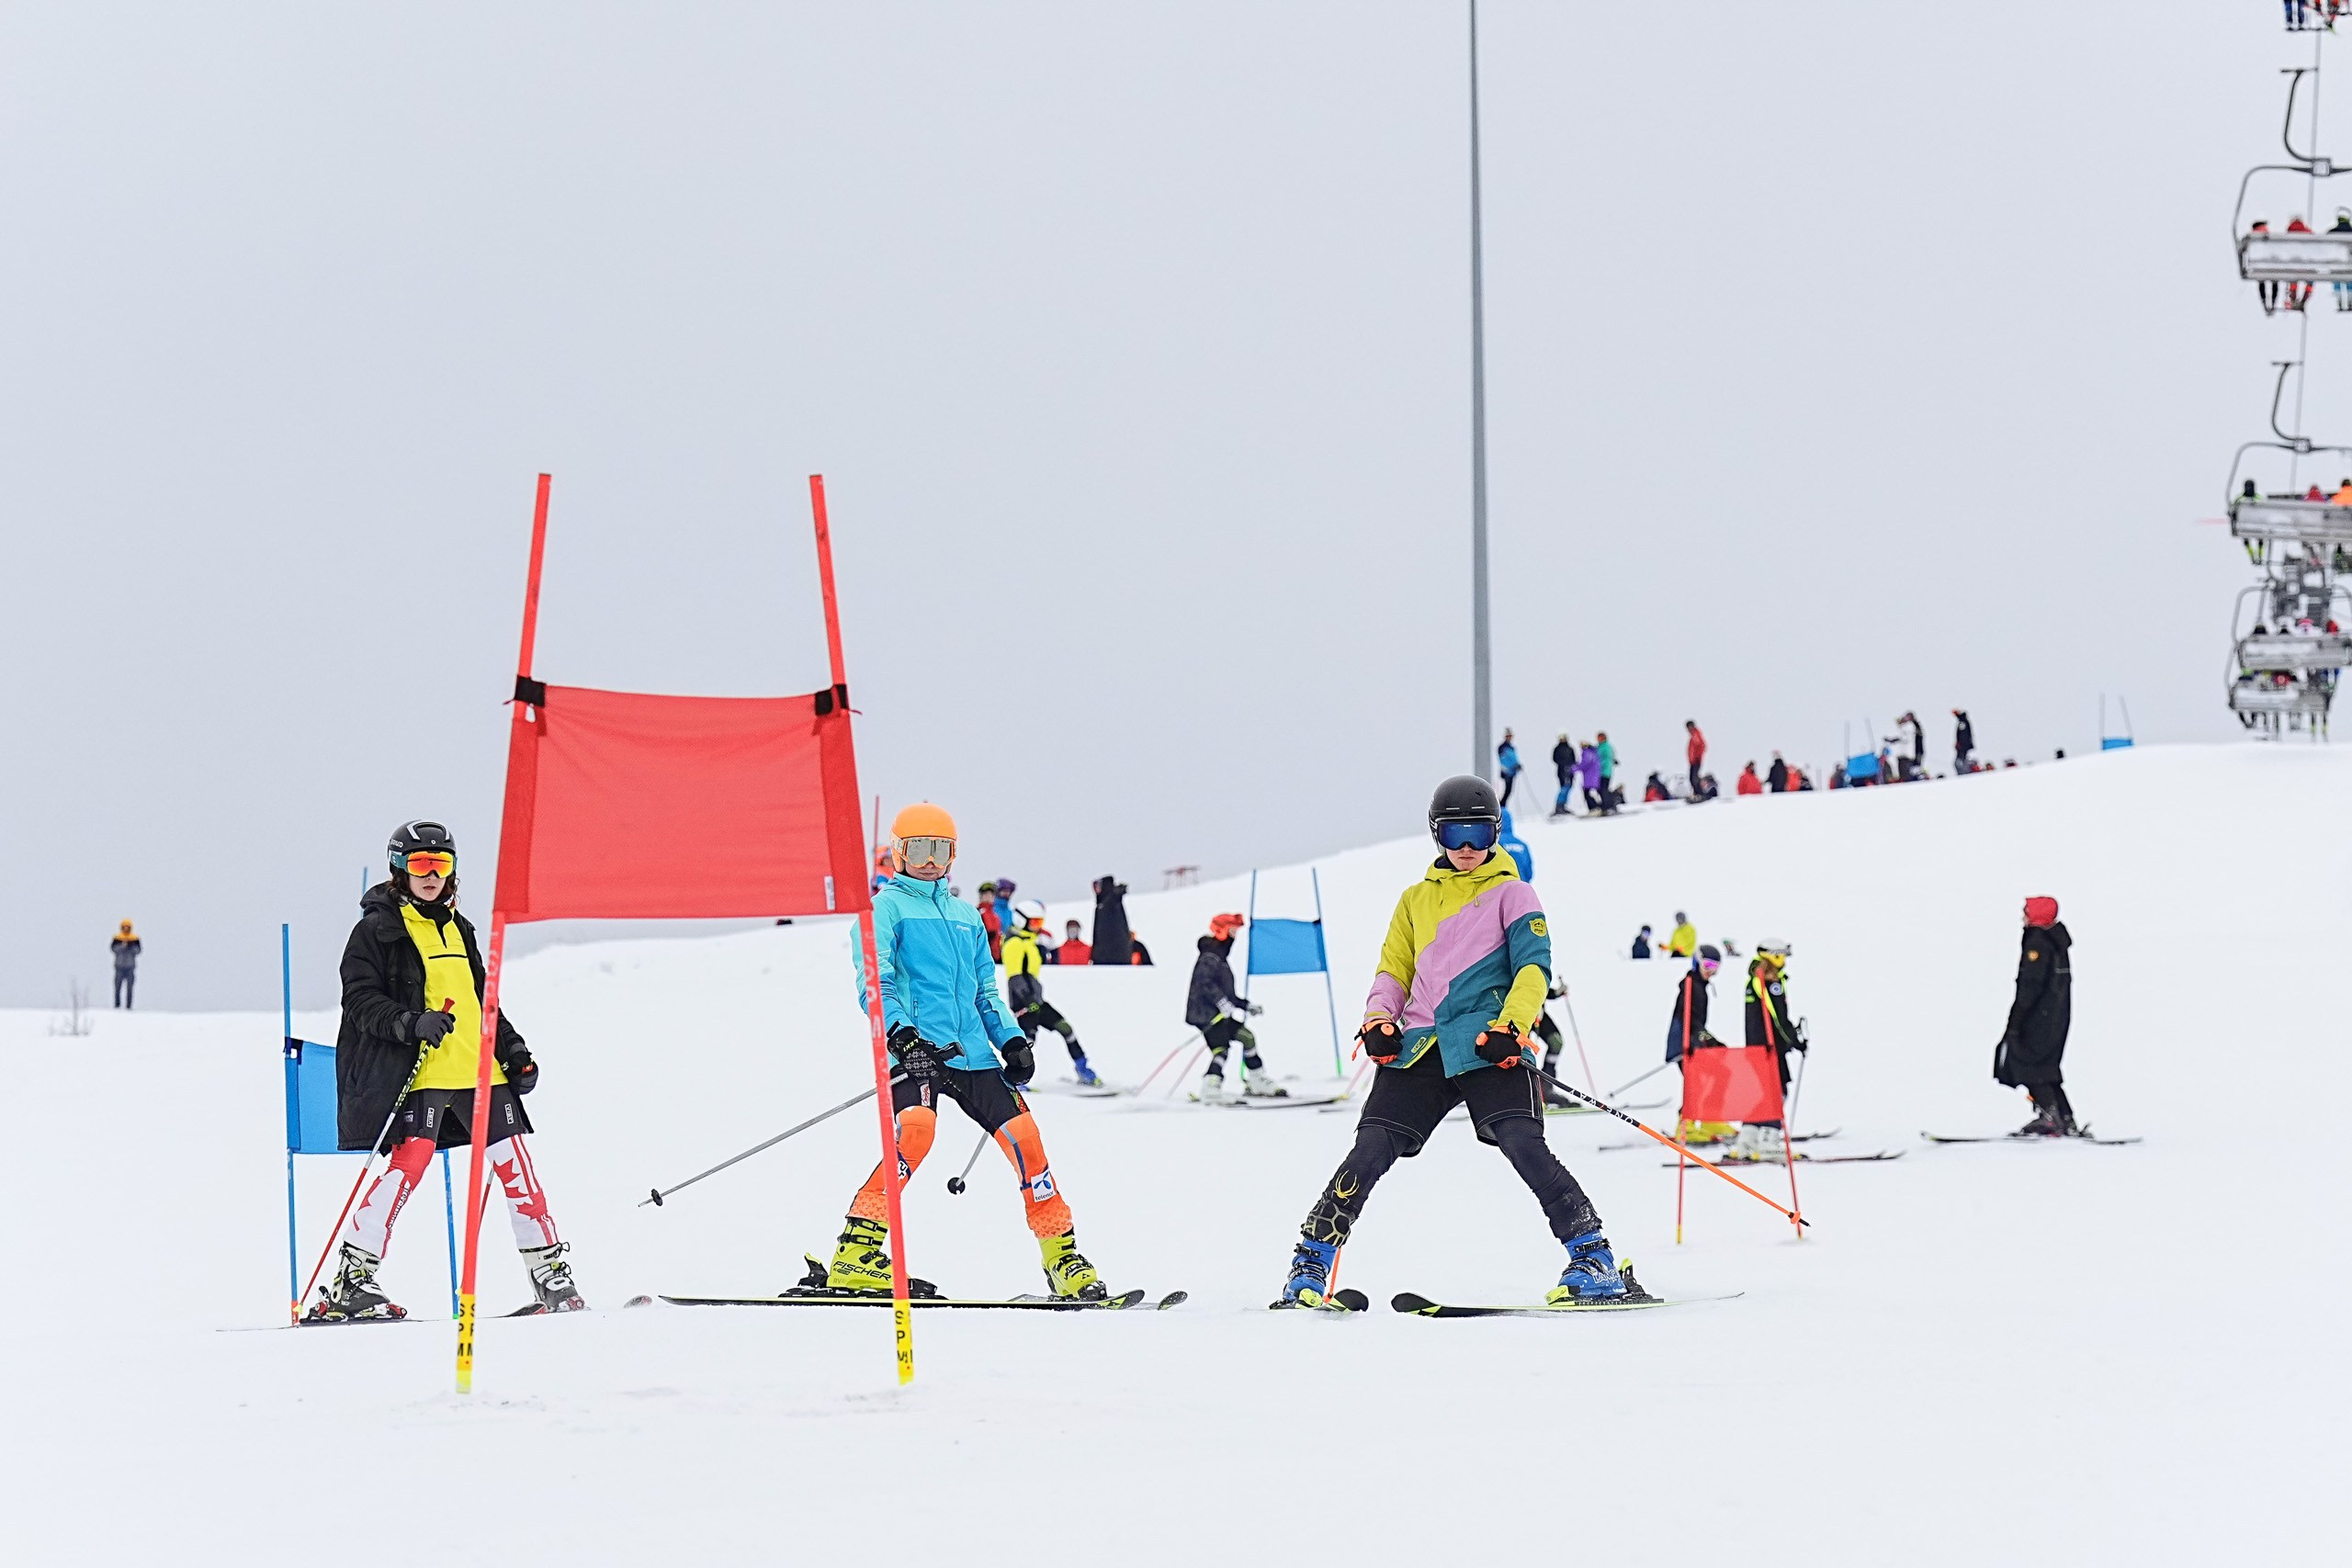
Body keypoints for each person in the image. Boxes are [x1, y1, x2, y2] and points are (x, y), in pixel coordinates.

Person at [1275, 774, 1625, 1307]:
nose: (1466, 848)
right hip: (1420, 1044)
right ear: (1437, 835)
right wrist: (1378, 1019)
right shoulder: (1415, 899)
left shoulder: (1513, 893)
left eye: (1479, 834)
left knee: (1522, 1143)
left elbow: (1534, 969)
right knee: (1371, 1148)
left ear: (1496, 835)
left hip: (1488, 1042)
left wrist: (1513, 1028)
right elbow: (1393, 970)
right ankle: (1310, 1266)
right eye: (1455, 833)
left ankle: (1593, 1256)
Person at [822, 803, 1105, 1300]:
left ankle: (1062, 1258)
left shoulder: (965, 917)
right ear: (898, 852)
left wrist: (1011, 1039)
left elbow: (984, 993)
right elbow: (875, 984)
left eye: (941, 850)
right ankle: (855, 1254)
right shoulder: (885, 909)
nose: (930, 861)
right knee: (916, 1135)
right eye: (918, 850)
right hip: (917, 1053)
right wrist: (902, 1037)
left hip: (973, 1054)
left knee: (1027, 1141)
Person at [314, 820, 581, 1321]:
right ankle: (353, 1279)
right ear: (400, 869)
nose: (432, 875)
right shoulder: (377, 929)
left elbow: (484, 1000)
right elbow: (359, 1001)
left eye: (441, 864)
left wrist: (514, 1051)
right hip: (420, 1072)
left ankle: (550, 1274)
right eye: (420, 864)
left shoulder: (461, 928)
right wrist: (412, 1022)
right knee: (407, 1169)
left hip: (479, 1072)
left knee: (516, 1167)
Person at [1996, 897, 2076, 1136]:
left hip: (2038, 1017)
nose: (2023, 915)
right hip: (2055, 1016)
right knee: (2046, 1066)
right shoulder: (2055, 941)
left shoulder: (2038, 942)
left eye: (2026, 911)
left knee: (2029, 1062)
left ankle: (2049, 1117)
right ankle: (2064, 1117)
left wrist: (2017, 1019)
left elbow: (2031, 985)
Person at [1002, 900, 1098, 1087]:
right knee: (1026, 1041)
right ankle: (1016, 1079)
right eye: (1034, 923)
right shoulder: (1014, 943)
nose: (1038, 927)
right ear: (1022, 921)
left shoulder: (1029, 942)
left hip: (1037, 1000)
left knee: (1065, 1028)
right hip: (1023, 1002)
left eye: (1040, 923)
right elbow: (1015, 977)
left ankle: (1083, 1070)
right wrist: (1028, 999)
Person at [1187, 913, 1278, 1100]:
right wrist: (1221, 1002)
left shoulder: (1220, 958)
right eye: (1232, 931)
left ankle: (1257, 1080)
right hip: (1204, 1014)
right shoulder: (1209, 957)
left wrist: (1245, 1005)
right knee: (1221, 1048)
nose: (1234, 936)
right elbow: (1204, 984)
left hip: (1219, 1013)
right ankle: (1210, 1086)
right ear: (1221, 931)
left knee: (1247, 1037)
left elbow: (1227, 993)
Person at [1732, 940, 1804, 1158]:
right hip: (1769, 1048)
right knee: (1777, 1092)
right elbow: (1778, 1017)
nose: (1784, 962)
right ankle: (1768, 1140)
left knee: (1760, 1093)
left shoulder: (1755, 979)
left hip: (1757, 1047)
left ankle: (1747, 1139)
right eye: (1782, 957)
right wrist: (1794, 1040)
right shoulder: (1769, 981)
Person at [1667, 945, 1735, 1145]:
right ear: (1697, 962)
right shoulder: (1690, 985)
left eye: (1715, 966)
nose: (1711, 970)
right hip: (1683, 1046)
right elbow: (1689, 1021)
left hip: (1694, 1044)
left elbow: (1697, 1024)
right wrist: (1708, 1040)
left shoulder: (1700, 987)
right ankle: (1685, 1126)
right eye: (1707, 965)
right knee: (1696, 1082)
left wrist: (1709, 1040)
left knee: (1721, 1074)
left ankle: (1710, 1120)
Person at [1091, 875, 1133, 965]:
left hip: (1112, 958)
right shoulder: (1104, 904)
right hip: (1107, 957)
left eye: (1098, 887)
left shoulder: (1110, 903)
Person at [110, 919, 141, 1009]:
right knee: (117, 987)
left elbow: (138, 950)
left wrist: (130, 947)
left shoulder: (135, 938)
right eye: (124, 927)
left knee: (130, 988)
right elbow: (113, 949)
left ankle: (129, 1006)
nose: (126, 929)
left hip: (130, 966)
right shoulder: (117, 938)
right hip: (119, 966)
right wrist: (122, 947)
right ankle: (117, 1005)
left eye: (128, 927)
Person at [1498, 807, 1532, 883]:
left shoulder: (1494, 844)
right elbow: (1529, 872)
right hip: (1521, 888)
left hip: (1500, 888)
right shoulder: (1523, 845)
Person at [975, 880, 1004, 964]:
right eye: (986, 894)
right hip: (982, 956)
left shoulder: (996, 915)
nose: (989, 897)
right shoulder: (976, 913)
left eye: (991, 894)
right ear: (981, 896)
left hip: (996, 956)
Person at [1551, 733, 1577, 818]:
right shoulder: (1557, 749)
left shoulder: (1570, 748)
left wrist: (1572, 768)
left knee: (1568, 787)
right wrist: (1564, 765)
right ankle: (1559, 806)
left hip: (1570, 772)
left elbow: (1574, 759)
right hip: (1562, 771)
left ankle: (1563, 805)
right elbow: (1555, 759)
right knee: (1563, 788)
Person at [1497, 728, 1522, 809]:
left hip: (1512, 773)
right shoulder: (1503, 747)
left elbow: (1514, 759)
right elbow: (1503, 760)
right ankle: (1501, 807)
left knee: (1509, 791)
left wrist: (1517, 765)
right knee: (1507, 791)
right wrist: (1513, 766)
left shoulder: (1511, 747)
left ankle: (1502, 807)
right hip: (1507, 773)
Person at [1577, 740, 1602, 814]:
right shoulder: (1594, 752)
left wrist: (1574, 768)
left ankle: (1594, 808)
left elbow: (1585, 763)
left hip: (1589, 776)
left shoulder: (1587, 752)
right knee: (1591, 792)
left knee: (1587, 793)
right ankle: (1597, 807)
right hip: (1593, 775)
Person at [1595, 731, 1617, 812]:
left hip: (1605, 771)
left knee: (1603, 788)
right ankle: (1605, 804)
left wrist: (1599, 766)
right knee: (1599, 789)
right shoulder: (1599, 747)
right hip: (1599, 773)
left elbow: (1607, 759)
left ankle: (1609, 805)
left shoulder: (1606, 747)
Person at [1684, 720, 1706, 796]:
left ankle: (1700, 793)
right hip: (1693, 761)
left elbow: (1702, 745)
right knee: (1692, 778)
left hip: (1696, 761)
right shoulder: (1694, 735)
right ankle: (1697, 793)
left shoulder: (1696, 735)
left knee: (1694, 778)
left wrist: (1698, 757)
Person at [1953, 708, 1974, 773]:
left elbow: (1964, 735)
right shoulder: (1963, 721)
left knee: (1960, 761)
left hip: (1963, 746)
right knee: (1962, 760)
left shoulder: (1963, 722)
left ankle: (1965, 772)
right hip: (1964, 745)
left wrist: (1960, 743)